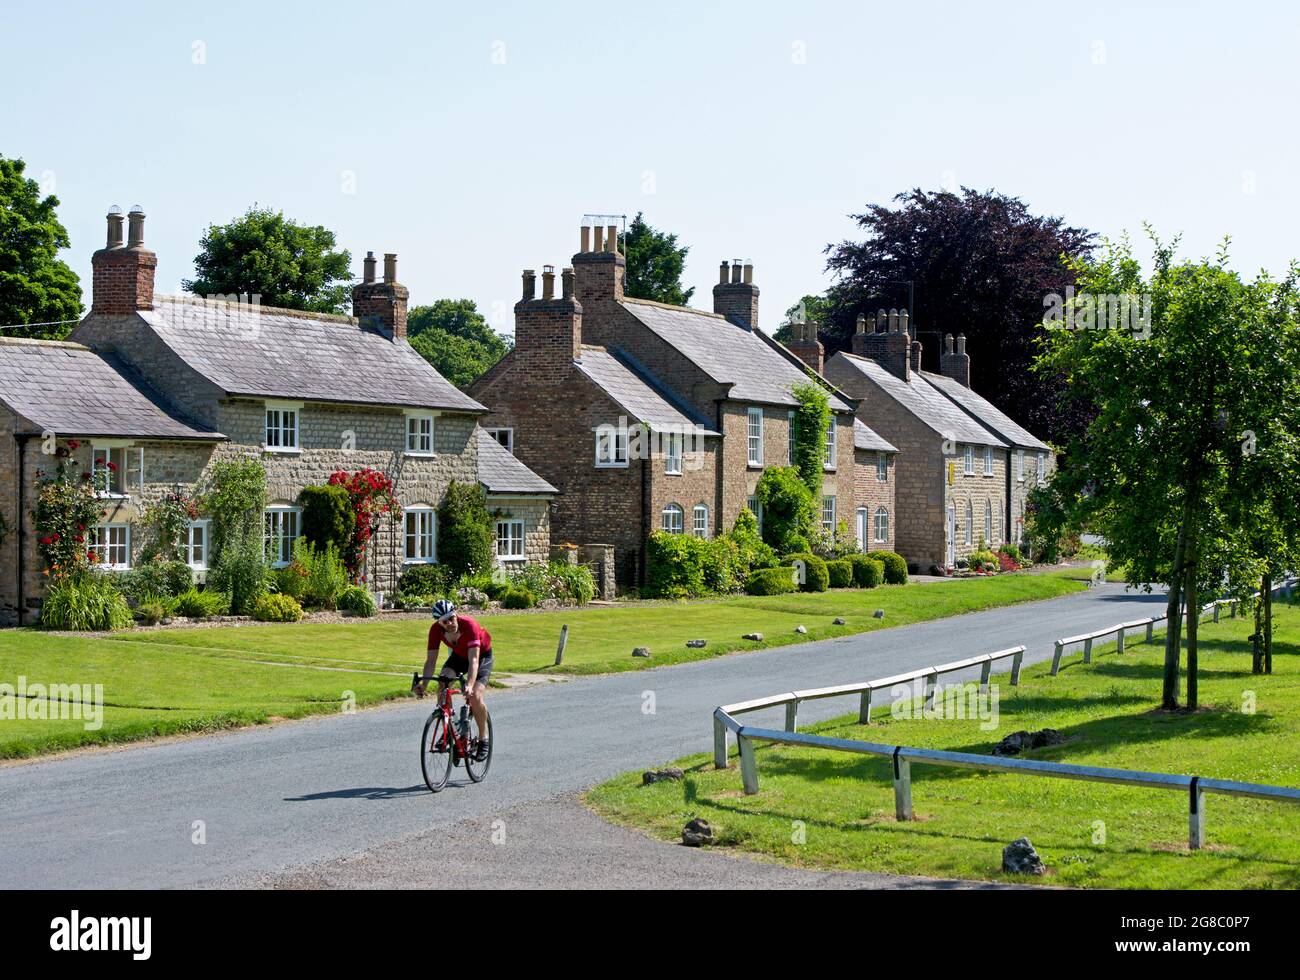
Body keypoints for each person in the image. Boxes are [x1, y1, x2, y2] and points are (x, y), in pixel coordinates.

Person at [413, 599, 491, 760]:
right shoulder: (435, 631)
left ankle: (484, 739)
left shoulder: (469, 625)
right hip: (459, 656)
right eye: (444, 621)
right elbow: (431, 661)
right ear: (439, 623)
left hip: (481, 656)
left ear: (456, 614)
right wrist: (424, 684)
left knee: (475, 695)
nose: (449, 623)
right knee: (443, 683)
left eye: (451, 618)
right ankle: (450, 729)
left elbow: (474, 661)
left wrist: (469, 685)